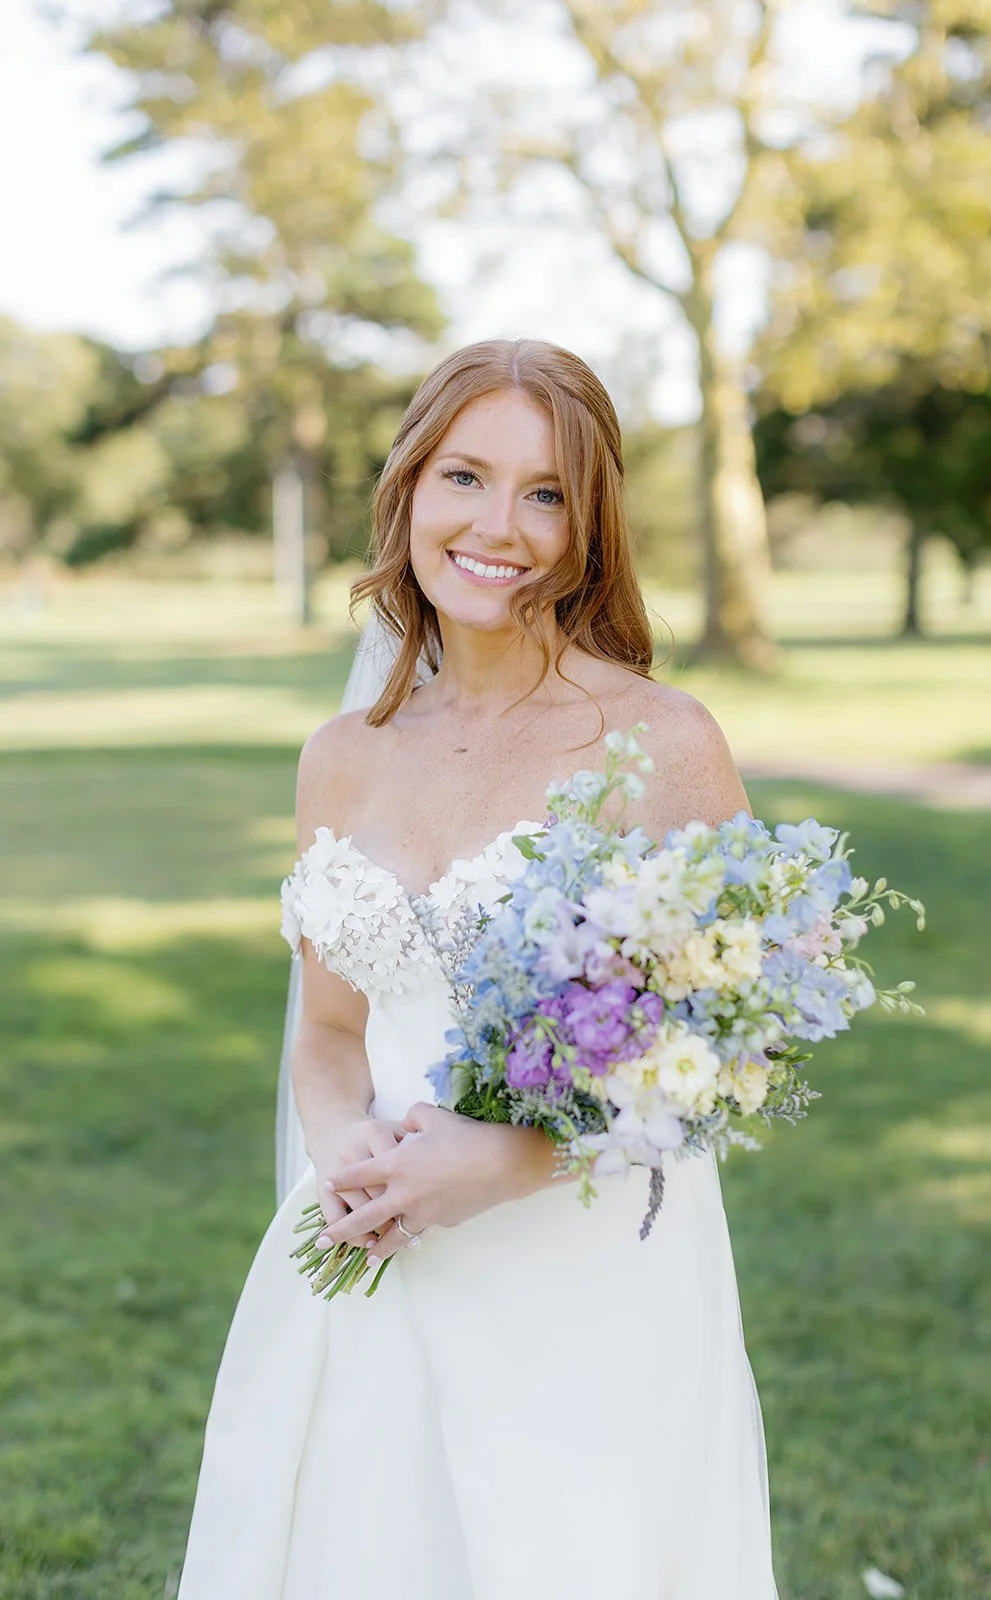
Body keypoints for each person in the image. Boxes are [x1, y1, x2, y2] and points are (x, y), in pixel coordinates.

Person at [177, 338, 778, 1600]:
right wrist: (346, 1152)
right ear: (406, 494)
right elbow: (329, 1034)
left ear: (589, 523)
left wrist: (507, 1156)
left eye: (546, 492)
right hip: (380, 1250)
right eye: (465, 476)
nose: (499, 525)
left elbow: (736, 1038)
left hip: (589, 1267)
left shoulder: (662, 742)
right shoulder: (342, 756)